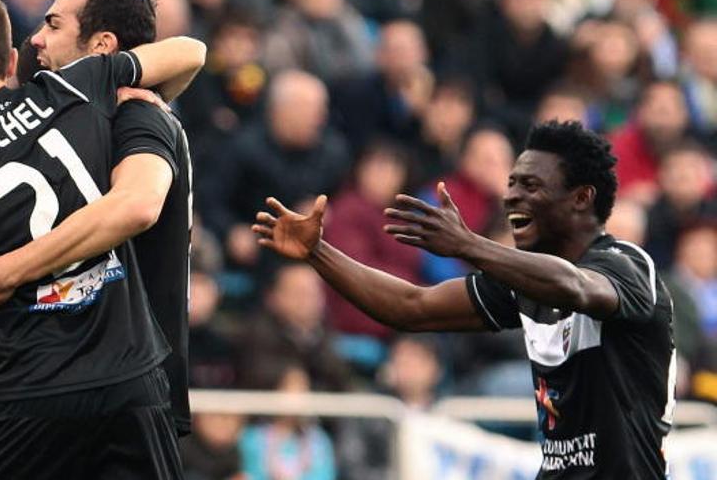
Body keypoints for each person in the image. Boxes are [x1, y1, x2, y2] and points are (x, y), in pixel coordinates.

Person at [252, 120, 675, 479]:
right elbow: (410, 306)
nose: (510, 197)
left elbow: (578, 288)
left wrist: (469, 245)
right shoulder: (524, 280)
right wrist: (317, 253)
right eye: (511, 184)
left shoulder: (627, 263)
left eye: (530, 186)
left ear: (581, 198)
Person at [0, 0, 200, 478]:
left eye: (53, 25)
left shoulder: (128, 109)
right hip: (127, 379)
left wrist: (7, 272)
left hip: (43, 389)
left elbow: (137, 205)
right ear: (9, 59)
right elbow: (191, 50)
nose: (38, 39)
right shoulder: (71, 95)